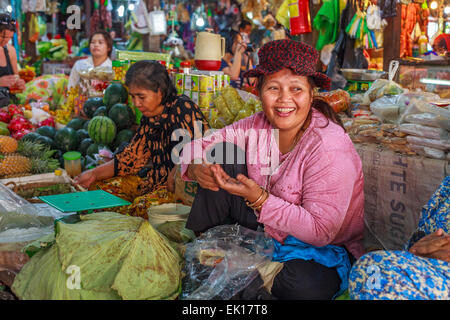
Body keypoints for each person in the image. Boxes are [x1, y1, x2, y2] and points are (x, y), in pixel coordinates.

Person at [180, 39, 365, 299]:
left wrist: (260, 199)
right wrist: (196, 166)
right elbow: (200, 144)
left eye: (296, 89)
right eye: (273, 88)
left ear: (312, 94)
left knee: (304, 286)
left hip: (319, 248)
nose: (284, 100)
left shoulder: (329, 146)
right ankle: (208, 251)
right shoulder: (256, 125)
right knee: (219, 156)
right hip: (267, 229)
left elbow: (321, 231)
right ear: (258, 92)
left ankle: (240, 269)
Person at [74, 60, 209, 203]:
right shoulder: (149, 118)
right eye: (133, 96)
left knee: (138, 207)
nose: (136, 103)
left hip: (182, 196)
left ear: (160, 92)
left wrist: (180, 168)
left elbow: (203, 149)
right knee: (99, 189)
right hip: (154, 186)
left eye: (141, 97)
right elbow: (131, 159)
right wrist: (93, 174)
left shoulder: (183, 108)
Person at [349, 175, 449, 300]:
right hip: (418, 263)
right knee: (373, 269)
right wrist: (414, 253)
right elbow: (426, 235)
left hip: (425, 270)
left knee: (376, 270)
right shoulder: (447, 186)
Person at [0, 13, 25, 107]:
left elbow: (16, 77)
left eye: (9, 38)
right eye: (3, 36)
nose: (5, 41)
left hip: (8, 104)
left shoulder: (10, 51)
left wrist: (19, 84)